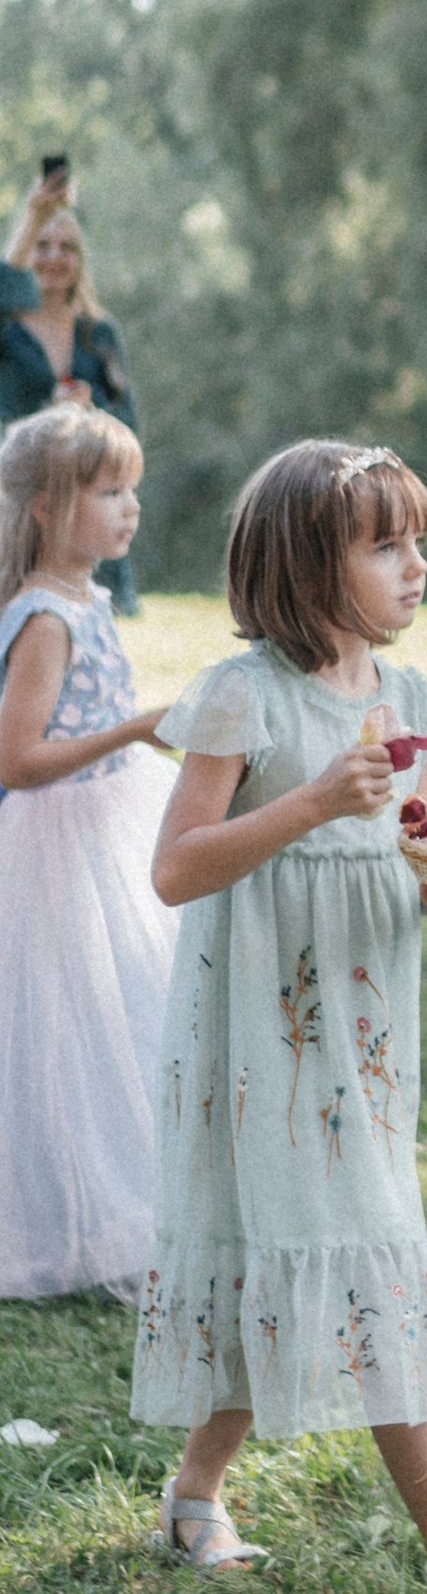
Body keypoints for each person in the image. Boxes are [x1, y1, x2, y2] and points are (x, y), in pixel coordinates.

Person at [134, 439, 427, 1594]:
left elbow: (396, 856)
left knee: (286, 1238)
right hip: (263, 1042)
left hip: (366, 1037)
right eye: (383, 543)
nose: (415, 564)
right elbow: (177, 870)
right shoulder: (245, 696)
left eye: (416, 539)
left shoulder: (413, 702)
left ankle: (194, 1495)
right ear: (304, 563)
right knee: (362, 1243)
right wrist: (306, 801)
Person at [0, 409, 176, 1299]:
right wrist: (135, 728)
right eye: (109, 492)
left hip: (104, 828)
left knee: (127, 1016)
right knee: (65, 1034)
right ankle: (57, 1222)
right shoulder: (42, 620)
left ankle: (118, 1203)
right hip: (56, 845)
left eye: (130, 489)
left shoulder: (86, 600)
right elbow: (17, 760)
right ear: (45, 508)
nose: (130, 508)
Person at [0, 177, 142, 615]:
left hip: (83, 507)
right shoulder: (7, 329)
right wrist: (34, 217)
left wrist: (90, 416)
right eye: (42, 246)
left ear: (80, 261)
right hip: (17, 500)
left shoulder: (98, 333)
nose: (54, 257)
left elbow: (128, 425)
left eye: (67, 247)